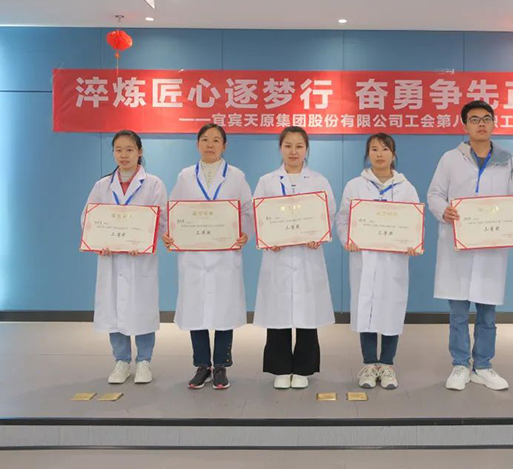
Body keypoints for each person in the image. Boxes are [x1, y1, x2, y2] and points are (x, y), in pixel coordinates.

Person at [427, 101, 513, 392]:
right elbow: (434, 194)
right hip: (458, 246)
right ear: (465, 125)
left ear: (494, 123)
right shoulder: (450, 159)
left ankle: (483, 366)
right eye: (474, 119)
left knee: (488, 313)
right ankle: (460, 365)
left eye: (486, 118)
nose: (481, 124)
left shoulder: (507, 160)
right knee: (458, 313)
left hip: (491, 247)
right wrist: (443, 210)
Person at [163, 124, 252, 390]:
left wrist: (245, 233)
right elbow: (173, 211)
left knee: (223, 311)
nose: (210, 144)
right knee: (196, 312)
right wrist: (170, 235)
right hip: (194, 257)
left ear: (224, 145)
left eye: (215, 140)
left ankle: (221, 365)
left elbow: (247, 210)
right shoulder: (185, 176)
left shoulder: (236, 176)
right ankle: (202, 365)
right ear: (197, 144)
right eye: (204, 139)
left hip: (225, 256)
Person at [336, 133, 422, 390]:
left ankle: (387, 365)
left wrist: (413, 243)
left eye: (385, 149)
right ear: (368, 154)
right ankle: (369, 364)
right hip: (364, 259)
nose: (380, 154)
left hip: (393, 261)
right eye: (374, 149)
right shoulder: (355, 186)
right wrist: (347, 239)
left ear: (393, 154)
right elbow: (343, 218)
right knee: (366, 311)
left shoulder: (406, 188)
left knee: (392, 310)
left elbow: (414, 221)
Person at [253, 126, 336, 390]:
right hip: (277, 257)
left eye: (299, 146)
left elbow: (328, 214)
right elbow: (259, 215)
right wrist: (268, 237)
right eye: (288, 146)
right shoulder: (267, 181)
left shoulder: (319, 181)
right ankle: (280, 368)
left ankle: (303, 368)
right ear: (280, 148)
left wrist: (318, 235)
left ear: (306, 149)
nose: (293, 151)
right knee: (278, 315)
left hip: (307, 255)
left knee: (306, 315)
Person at [81, 130, 167, 385]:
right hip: (112, 259)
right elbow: (88, 219)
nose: (124, 155)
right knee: (114, 310)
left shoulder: (154, 184)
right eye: (118, 150)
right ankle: (121, 361)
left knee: (142, 310)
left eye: (129, 149)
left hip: (140, 259)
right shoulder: (102, 186)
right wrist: (100, 242)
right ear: (113, 153)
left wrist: (143, 240)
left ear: (140, 152)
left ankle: (144, 361)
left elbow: (162, 220)